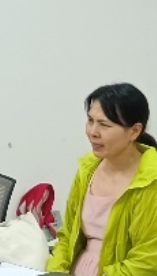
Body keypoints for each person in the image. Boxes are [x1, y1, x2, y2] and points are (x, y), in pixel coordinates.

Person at [47, 83, 157, 276]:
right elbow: (67, 236)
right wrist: (56, 272)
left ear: (134, 131)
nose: (93, 132)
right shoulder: (87, 168)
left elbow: (147, 260)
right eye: (90, 120)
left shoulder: (151, 181)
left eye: (104, 125)